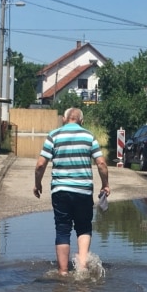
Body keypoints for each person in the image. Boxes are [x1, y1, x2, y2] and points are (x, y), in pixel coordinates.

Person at [34, 108, 110, 276]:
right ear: (81, 121)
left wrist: (37, 184)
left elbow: (40, 165)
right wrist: (105, 184)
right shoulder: (89, 136)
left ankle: (63, 272)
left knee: (62, 229)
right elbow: (101, 164)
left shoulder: (53, 136)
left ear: (64, 119)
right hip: (83, 191)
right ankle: (82, 269)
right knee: (83, 228)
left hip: (60, 191)